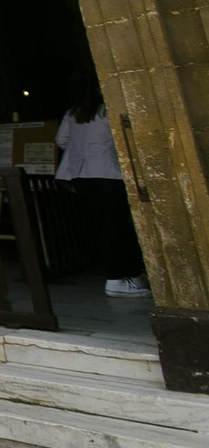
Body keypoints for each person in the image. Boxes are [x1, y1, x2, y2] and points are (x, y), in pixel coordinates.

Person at [56, 78, 150, 298]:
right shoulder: (109, 112)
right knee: (117, 226)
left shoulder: (74, 114)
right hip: (110, 173)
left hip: (82, 175)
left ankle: (131, 275)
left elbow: (61, 140)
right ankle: (117, 278)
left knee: (105, 226)